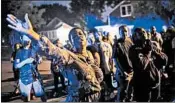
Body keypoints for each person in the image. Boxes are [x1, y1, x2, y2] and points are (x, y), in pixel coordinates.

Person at [7, 14, 103, 102]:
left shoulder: (89, 55)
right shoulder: (69, 56)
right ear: (71, 42)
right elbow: (50, 49)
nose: (79, 36)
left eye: (80, 33)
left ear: (86, 37)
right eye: (74, 36)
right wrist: (31, 33)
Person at [129, 28, 168, 102]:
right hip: (143, 85)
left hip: (155, 84)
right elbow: (142, 65)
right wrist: (148, 52)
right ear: (135, 36)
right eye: (140, 34)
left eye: (144, 32)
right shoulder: (134, 49)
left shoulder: (151, 45)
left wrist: (156, 52)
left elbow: (164, 61)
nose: (143, 34)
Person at [14, 35, 47, 102]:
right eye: (26, 40)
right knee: (25, 97)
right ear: (22, 41)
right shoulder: (19, 52)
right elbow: (16, 65)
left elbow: (38, 60)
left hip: (34, 75)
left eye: (28, 40)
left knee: (41, 94)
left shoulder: (33, 50)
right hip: (24, 76)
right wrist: (26, 61)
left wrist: (39, 60)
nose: (28, 42)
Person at [113, 25, 134, 102]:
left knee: (130, 92)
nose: (124, 33)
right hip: (122, 73)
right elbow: (115, 59)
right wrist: (122, 71)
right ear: (119, 32)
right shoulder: (117, 44)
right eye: (122, 31)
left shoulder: (130, 42)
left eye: (126, 31)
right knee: (122, 92)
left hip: (131, 71)